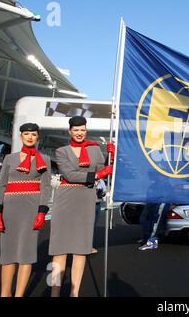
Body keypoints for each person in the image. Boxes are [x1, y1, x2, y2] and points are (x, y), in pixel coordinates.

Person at [48, 116, 114, 297]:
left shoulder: (94, 149)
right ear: (70, 131)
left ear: (86, 131)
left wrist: (110, 156)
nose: (79, 133)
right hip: (65, 199)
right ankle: (54, 292)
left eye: (82, 130)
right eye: (76, 130)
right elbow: (69, 174)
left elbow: (105, 168)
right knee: (59, 250)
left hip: (86, 199)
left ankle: (74, 293)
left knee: (81, 249)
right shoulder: (61, 151)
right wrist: (99, 173)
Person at [0, 123, 51, 297]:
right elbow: (1, 186)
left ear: (38, 137)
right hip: (9, 209)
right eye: (26, 134)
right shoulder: (10, 158)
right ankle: (5, 293)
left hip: (31, 210)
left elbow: (46, 187)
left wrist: (42, 211)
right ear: (21, 136)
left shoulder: (45, 159)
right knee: (8, 254)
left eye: (33, 134)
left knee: (27, 255)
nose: (30, 137)